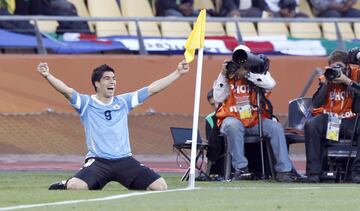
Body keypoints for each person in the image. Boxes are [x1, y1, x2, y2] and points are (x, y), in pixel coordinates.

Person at [38, 59, 190, 190]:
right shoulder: (86, 103)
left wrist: (177, 73)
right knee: (75, 187)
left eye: (114, 78)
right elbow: (67, 91)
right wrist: (47, 76)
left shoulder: (123, 101)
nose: (112, 82)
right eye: (107, 78)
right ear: (97, 83)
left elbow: (152, 89)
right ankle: (65, 183)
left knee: (160, 186)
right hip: (99, 162)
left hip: (125, 160)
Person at [213, 45, 294, 182]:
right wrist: (223, 75)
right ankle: (241, 169)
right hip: (232, 119)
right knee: (233, 125)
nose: (240, 63)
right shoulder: (227, 74)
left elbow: (270, 84)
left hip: (255, 120)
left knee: (275, 127)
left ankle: (284, 171)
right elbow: (218, 98)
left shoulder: (257, 71)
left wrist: (247, 74)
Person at [305, 48, 360, 183]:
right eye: (333, 68)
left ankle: (357, 172)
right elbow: (316, 103)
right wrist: (325, 84)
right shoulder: (327, 76)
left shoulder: (356, 74)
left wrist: (347, 80)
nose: (336, 72)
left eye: (339, 68)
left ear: (348, 67)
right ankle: (314, 173)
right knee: (311, 124)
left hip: (351, 119)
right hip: (331, 119)